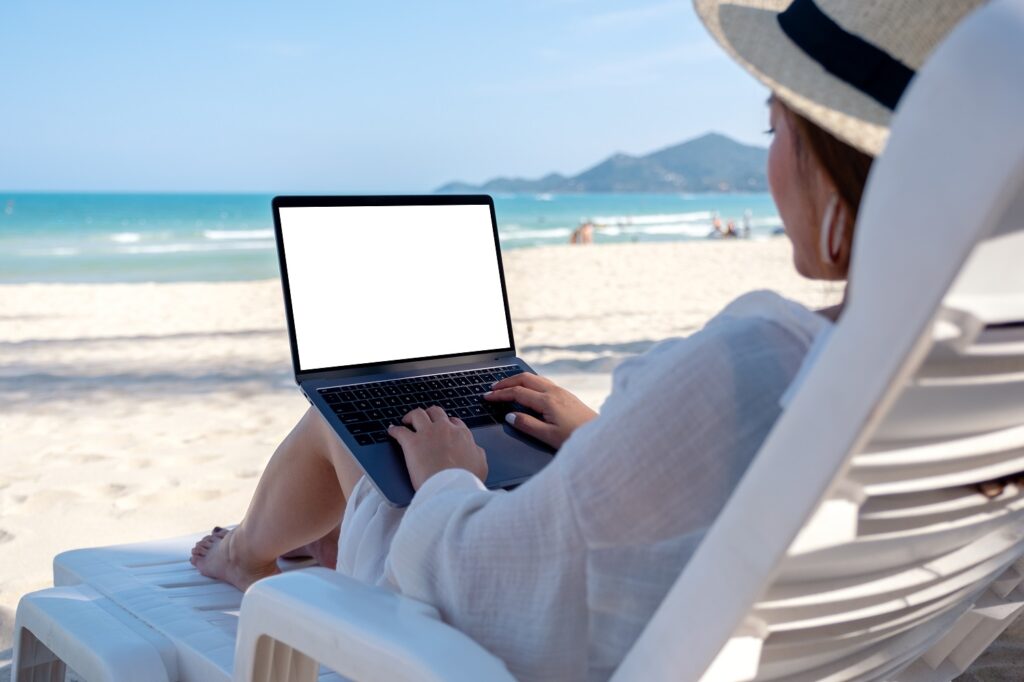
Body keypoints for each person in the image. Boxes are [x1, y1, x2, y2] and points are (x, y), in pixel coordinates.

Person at [191, 2, 986, 680]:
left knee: (356, 424)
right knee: (403, 431)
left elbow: (484, 587)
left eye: (776, 128)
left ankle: (247, 557)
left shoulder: (757, 363)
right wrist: (610, 443)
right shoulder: (983, 391)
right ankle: (312, 531)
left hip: (478, 649)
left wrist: (445, 479)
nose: (773, 160)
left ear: (846, 162)